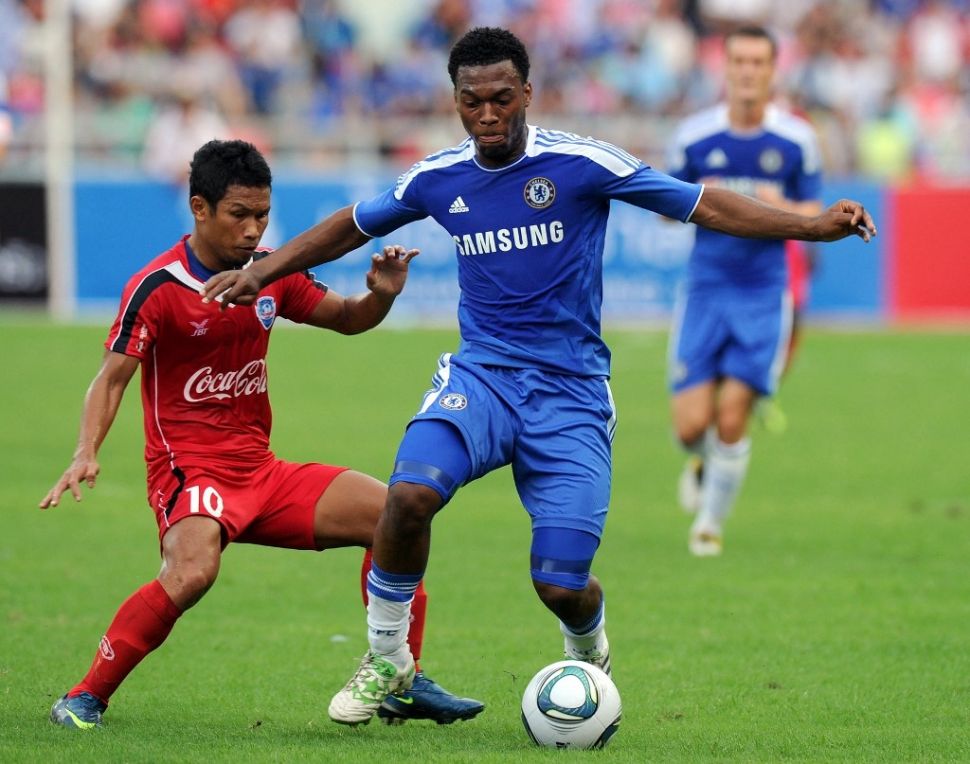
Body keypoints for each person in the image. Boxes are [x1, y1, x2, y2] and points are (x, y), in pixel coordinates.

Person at [200, 27, 876, 727]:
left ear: (527, 93)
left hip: (571, 395)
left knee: (560, 584)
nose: (487, 116)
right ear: (455, 101)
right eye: (471, 103)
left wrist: (810, 225)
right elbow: (351, 225)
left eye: (500, 99)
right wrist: (260, 272)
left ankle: (590, 646)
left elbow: (703, 202)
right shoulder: (439, 175)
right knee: (405, 497)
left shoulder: (582, 163)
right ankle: (388, 659)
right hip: (483, 377)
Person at [41, 139, 483, 730]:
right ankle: (84, 696)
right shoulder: (158, 287)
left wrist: (381, 294)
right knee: (192, 572)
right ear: (199, 208)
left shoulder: (270, 272)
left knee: (395, 515)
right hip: (190, 473)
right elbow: (112, 377)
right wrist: (85, 451)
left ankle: (401, 677)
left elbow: (348, 319)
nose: (253, 230)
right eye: (239, 215)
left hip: (261, 472)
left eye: (262, 216)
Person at [666, 25, 824, 556]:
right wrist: (697, 204)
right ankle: (699, 457)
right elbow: (667, 207)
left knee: (732, 414)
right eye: (740, 62)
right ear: (726, 68)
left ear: (773, 70)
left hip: (763, 291)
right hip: (706, 289)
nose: (749, 71)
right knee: (690, 425)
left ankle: (708, 525)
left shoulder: (796, 140)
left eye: (759, 62)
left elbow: (813, 212)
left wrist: (770, 204)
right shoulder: (693, 137)